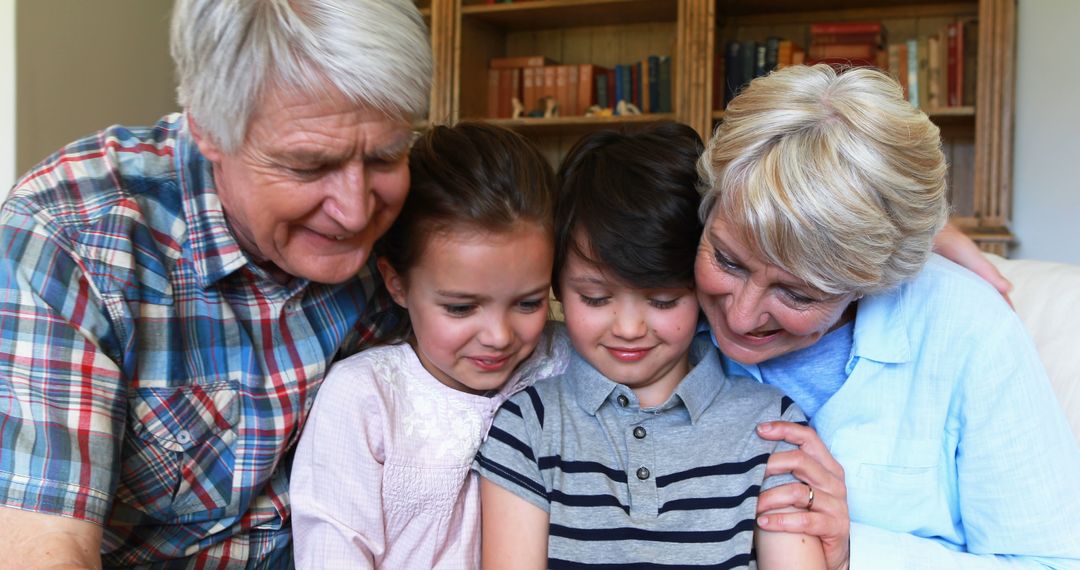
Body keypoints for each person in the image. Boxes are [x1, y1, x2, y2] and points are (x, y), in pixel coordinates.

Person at [0, 0, 430, 566]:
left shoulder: (421, 223)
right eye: (308, 166)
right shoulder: (70, 236)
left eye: (386, 157)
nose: (356, 212)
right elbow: (43, 548)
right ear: (206, 130)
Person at [694, 64, 1080, 569]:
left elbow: (1051, 561)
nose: (741, 318)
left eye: (798, 294)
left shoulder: (967, 327)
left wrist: (853, 551)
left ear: (873, 278)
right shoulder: (648, 296)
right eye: (727, 261)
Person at [474, 122, 826, 569]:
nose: (628, 328)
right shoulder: (529, 427)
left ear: (704, 284)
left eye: (662, 300)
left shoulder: (770, 428)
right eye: (595, 298)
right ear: (556, 285)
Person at [290, 122, 573, 568]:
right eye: (461, 308)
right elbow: (332, 550)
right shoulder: (364, 397)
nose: (499, 336)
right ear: (397, 284)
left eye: (529, 302)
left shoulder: (565, 365)